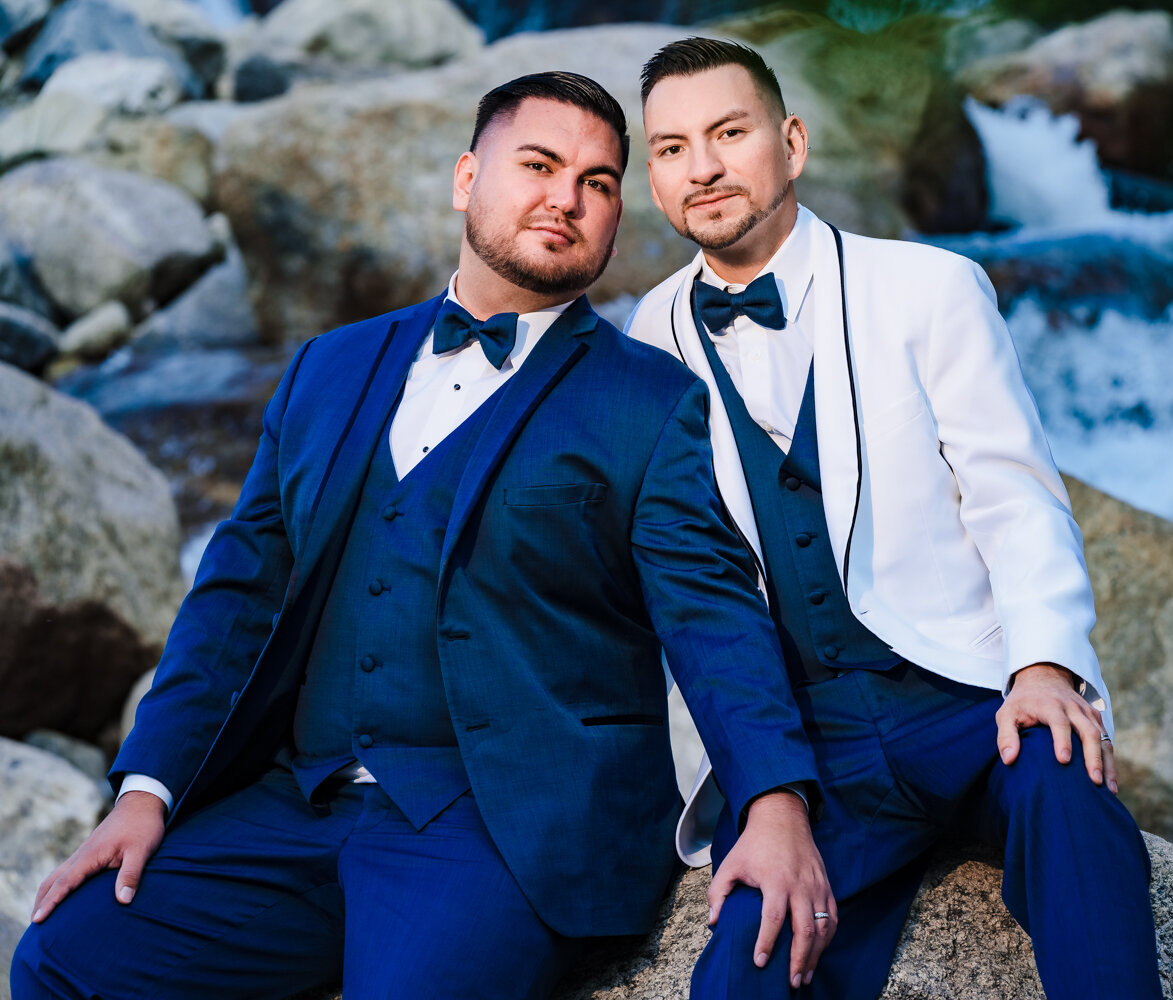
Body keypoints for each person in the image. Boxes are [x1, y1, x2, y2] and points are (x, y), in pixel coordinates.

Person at [11, 71, 833, 1000]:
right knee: (63, 957)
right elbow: (236, 595)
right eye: (539, 164)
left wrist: (773, 802)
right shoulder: (330, 365)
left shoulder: (651, 399)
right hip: (296, 806)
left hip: (498, 830)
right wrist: (144, 792)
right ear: (464, 179)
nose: (566, 198)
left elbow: (709, 608)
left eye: (599, 183)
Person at [627, 38, 1164, 1000]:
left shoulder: (928, 287)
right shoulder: (650, 340)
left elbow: (1014, 492)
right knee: (745, 965)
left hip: (967, 701)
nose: (701, 167)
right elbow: (696, 596)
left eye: (728, 133)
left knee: (1070, 804)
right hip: (812, 753)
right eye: (670, 148)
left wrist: (1042, 666)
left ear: (790, 143)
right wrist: (766, 793)